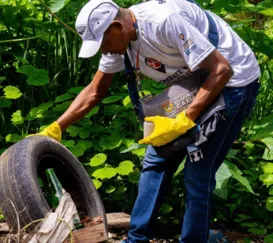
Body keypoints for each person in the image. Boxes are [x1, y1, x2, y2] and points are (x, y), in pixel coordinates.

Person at [36, 0, 260, 242]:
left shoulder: (163, 22)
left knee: (199, 168)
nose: (103, 51)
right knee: (155, 162)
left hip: (233, 78)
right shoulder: (119, 42)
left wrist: (185, 119)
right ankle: (137, 238)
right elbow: (94, 91)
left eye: (103, 43)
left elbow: (222, 69)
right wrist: (56, 127)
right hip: (195, 80)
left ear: (116, 26)